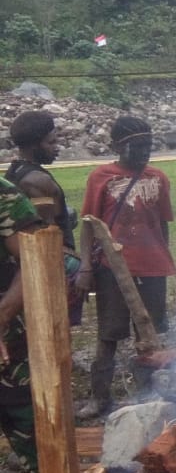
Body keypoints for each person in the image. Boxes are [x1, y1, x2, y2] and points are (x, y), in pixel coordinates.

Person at [75, 117, 176, 419]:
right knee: (108, 334)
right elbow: (89, 227)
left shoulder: (158, 178)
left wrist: (164, 257)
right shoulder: (101, 177)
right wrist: (86, 266)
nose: (145, 152)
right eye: (138, 146)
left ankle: (150, 392)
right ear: (118, 146)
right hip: (112, 269)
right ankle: (100, 396)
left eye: (149, 146)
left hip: (153, 267)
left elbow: (162, 224)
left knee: (151, 333)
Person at [6, 110, 85, 324]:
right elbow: (47, 238)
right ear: (35, 145)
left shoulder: (15, 171)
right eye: (51, 142)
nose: (56, 148)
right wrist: (81, 267)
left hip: (24, 265)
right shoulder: (38, 181)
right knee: (56, 326)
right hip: (50, 265)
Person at [0, 178, 46, 470]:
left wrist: (3, 314)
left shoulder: (4, 195)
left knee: (38, 442)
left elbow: (36, 258)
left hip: (10, 342)